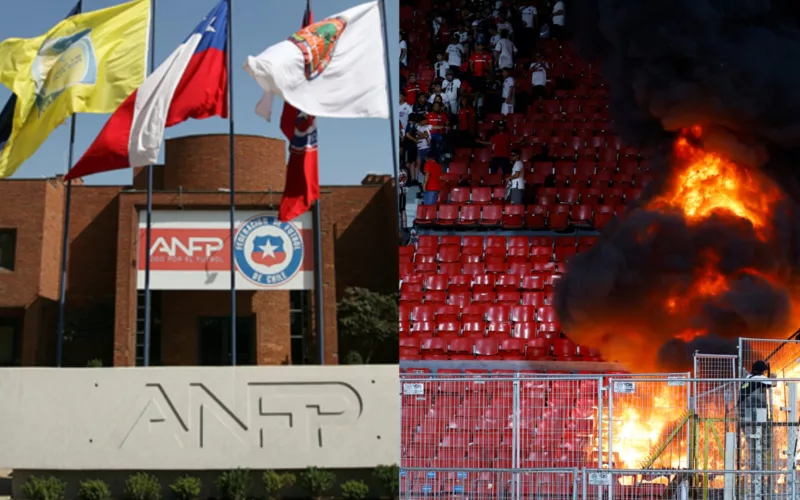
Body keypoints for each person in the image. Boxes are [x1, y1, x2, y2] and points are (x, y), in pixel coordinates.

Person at [739, 360, 773, 472]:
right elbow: (773, 383)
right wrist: (773, 376)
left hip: (744, 415)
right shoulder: (759, 378)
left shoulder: (747, 378)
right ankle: (758, 472)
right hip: (755, 415)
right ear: (761, 371)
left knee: (752, 445)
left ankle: (754, 471)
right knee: (760, 446)